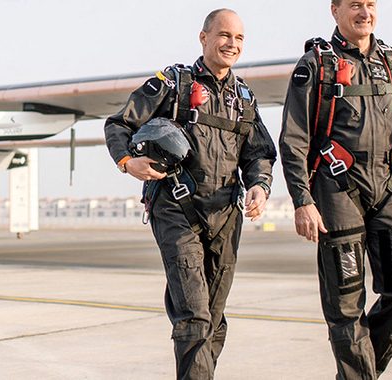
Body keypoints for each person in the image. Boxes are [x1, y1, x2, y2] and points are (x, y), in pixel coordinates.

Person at [279, 1, 392, 379]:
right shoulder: (315, 65)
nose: (364, 12)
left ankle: (357, 375)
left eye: (370, 4)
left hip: (388, 187)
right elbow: (293, 138)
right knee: (346, 308)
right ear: (335, 10)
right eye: (355, 5)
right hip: (336, 189)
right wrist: (302, 200)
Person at [104, 9, 277, 380]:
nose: (231, 44)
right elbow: (119, 123)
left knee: (213, 320)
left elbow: (259, 152)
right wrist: (125, 161)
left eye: (239, 38)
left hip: (227, 215)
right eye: (224, 35)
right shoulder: (173, 84)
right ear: (204, 37)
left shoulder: (244, 98)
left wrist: (260, 186)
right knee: (194, 317)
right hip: (177, 210)